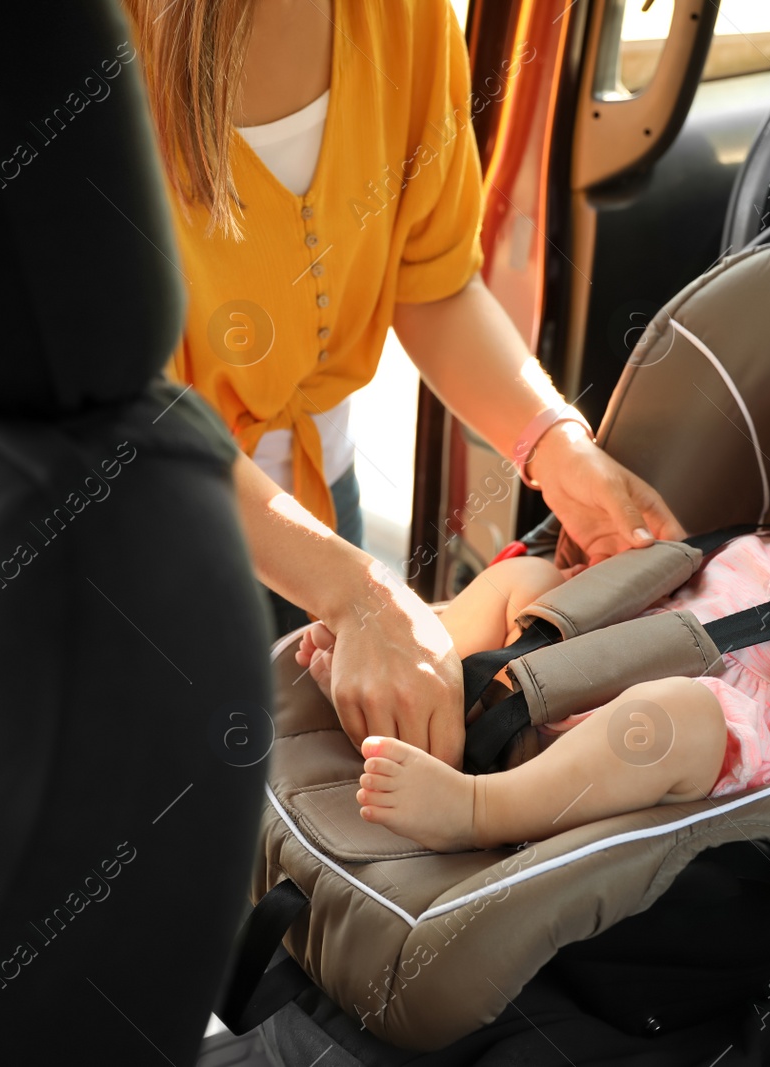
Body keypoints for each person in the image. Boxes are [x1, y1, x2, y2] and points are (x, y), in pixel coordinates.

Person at [120, 0, 685, 770]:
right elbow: (127, 410)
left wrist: (554, 445)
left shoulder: (407, 20)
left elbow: (433, 285)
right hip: (136, 544)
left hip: (323, 512)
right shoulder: (81, 48)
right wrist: (360, 595)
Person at [295, 346, 770, 852]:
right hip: (569, 688)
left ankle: (475, 807)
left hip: (680, 746)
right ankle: (412, 667)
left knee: (675, 712)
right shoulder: (753, 542)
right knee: (526, 581)